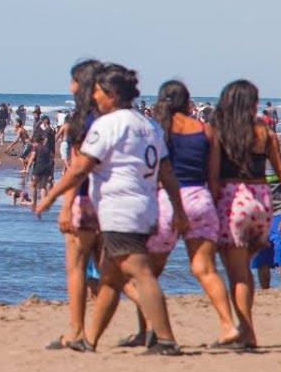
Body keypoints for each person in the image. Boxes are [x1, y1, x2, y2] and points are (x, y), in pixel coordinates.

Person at [36, 63, 189, 355]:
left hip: (120, 209)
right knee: (110, 277)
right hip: (146, 208)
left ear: (112, 94)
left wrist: (51, 196)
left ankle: (165, 338)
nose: (94, 97)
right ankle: (88, 339)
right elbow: (167, 173)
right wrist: (178, 210)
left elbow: (80, 167)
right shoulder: (150, 125)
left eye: (97, 91)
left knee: (140, 272)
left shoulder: (108, 125)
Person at [119, 80, 240, 349]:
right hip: (200, 198)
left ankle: (149, 330)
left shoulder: (156, 131)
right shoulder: (207, 131)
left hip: (166, 201)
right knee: (206, 270)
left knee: (147, 274)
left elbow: (147, 172)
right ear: (188, 102)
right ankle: (228, 326)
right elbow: (214, 177)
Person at [209, 80, 281, 349]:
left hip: (233, 199)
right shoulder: (264, 131)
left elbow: (212, 175)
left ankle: (245, 333)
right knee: (245, 267)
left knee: (238, 272)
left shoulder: (218, 131)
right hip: (261, 201)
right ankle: (245, 332)